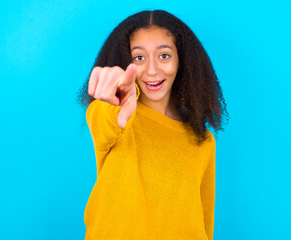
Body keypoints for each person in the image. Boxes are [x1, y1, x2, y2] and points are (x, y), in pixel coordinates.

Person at [78, 9, 229, 240]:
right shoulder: (113, 115)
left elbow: (204, 221)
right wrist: (118, 100)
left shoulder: (204, 141)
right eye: (139, 58)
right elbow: (102, 117)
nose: (151, 70)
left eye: (164, 56)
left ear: (181, 61)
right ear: (127, 62)